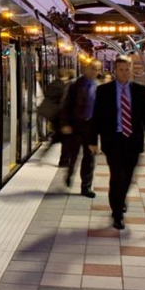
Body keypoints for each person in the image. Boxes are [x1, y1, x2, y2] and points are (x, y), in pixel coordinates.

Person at [89, 55, 145, 230]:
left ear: (131, 70)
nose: (124, 73)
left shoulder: (140, 91)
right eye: (121, 69)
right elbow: (96, 116)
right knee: (116, 176)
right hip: (113, 140)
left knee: (127, 177)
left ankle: (119, 200)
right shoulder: (104, 90)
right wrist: (92, 140)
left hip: (133, 140)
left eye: (127, 69)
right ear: (115, 71)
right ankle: (117, 213)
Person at [59, 60, 102, 197]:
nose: (94, 71)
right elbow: (66, 105)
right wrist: (65, 123)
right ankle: (69, 174)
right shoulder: (75, 85)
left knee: (89, 158)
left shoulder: (99, 87)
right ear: (85, 68)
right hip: (76, 125)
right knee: (74, 154)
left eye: (97, 69)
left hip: (91, 127)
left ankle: (86, 187)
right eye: (92, 68)